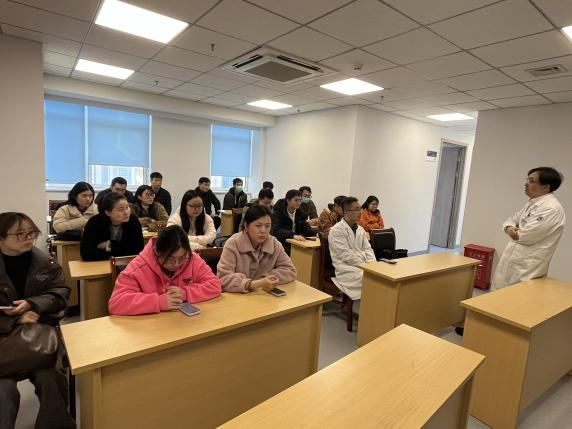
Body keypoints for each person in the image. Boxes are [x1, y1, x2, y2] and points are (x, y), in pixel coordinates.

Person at [0, 212, 75, 429]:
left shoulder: (46, 263)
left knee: (52, 377)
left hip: (39, 336)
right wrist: (15, 319)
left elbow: (60, 293)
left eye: (32, 233)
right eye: (20, 234)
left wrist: (33, 305)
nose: (28, 238)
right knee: (3, 391)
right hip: (3, 338)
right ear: (1, 237)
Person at [108, 225, 221, 315]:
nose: (177, 264)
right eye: (170, 259)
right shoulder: (138, 267)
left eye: (182, 258)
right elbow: (116, 303)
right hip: (150, 329)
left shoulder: (192, 259)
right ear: (157, 252)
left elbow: (215, 285)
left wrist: (186, 293)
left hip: (186, 325)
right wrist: (159, 301)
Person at [492, 167, 566, 290]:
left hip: (527, 267)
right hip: (513, 260)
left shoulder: (551, 209)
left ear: (545, 187)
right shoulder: (532, 203)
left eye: (531, 181)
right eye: (527, 180)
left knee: (517, 298)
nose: (526, 184)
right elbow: (511, 220)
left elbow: (524, 236)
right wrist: (509, 227)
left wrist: (514, 230)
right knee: (499, 295)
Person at [217, 205, 296, 293]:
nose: (263, 230)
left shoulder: (274, 243)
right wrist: (255, 284)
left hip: (262, 297)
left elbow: (290, 270)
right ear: (246, 226)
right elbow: (223, 279)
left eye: (267, 226)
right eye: (258, 225)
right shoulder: (233, 244)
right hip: (237, 297)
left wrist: (268, 277)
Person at [328, 197, 376, 300]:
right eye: (356, 209)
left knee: (379, 276)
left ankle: (376, 305)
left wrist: (373, 265)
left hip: (363, 265)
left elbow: (368, 249)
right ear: (346, 211)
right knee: (372, 279)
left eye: (360, 209)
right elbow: (346, 255)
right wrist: (366, 267)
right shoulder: (336, 230)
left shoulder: (360, 229)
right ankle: (370, 305)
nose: (360, 212)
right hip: (346, 268)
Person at [80, 193, 144, 261]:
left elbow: (137, 250)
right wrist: (123, 249)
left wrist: (110, 245)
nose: (126, 213)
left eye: (127, 207)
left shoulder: (133, 221)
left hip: (126, 263)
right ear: (108, 212)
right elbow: (87, 254)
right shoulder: (94, 223)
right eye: (121, 209)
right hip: (100, 264)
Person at [271, 189, 315, 255]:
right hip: (281, 243)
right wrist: (293, 235)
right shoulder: (278, 212)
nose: (299, 203)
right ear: (288, 201)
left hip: (295, 242)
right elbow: (277, 230)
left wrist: (316, 233)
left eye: (300, 200)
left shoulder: (300, 212)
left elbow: (305, 228)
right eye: (296, 200)